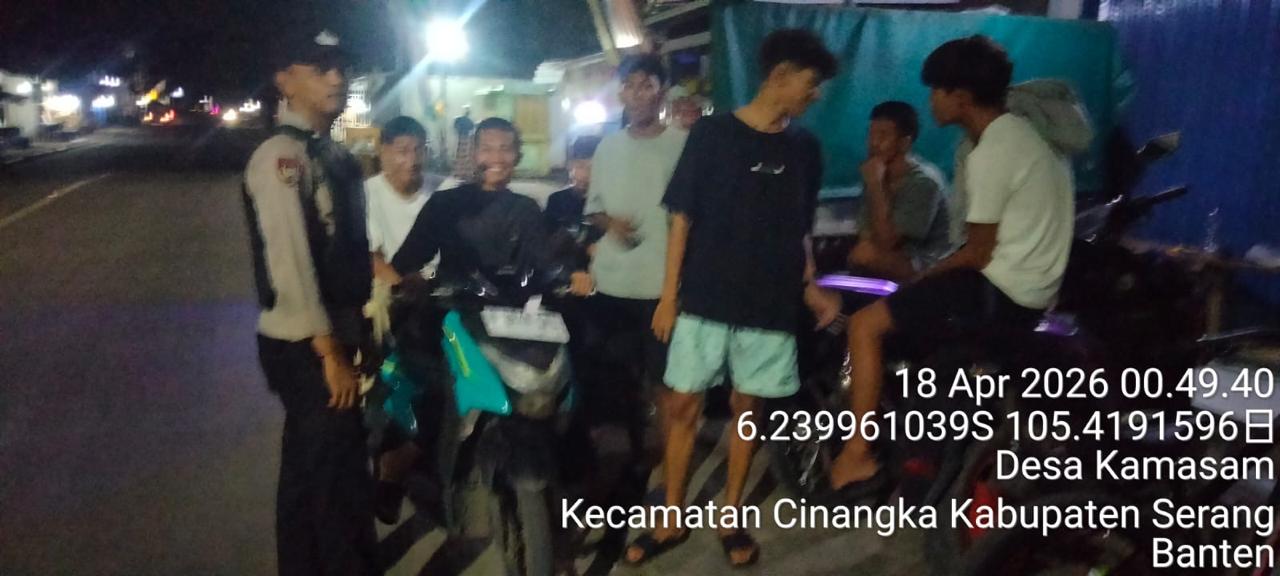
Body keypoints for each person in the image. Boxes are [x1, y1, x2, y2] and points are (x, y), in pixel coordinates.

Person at [627, 29, 841, 568]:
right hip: (704, 296)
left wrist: (810, 284)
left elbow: (801, 228)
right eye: (811, 82)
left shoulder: (805, 148)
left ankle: (730, 513)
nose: (815, 93)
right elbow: (681, 218)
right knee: (683, 406)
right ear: (780, 76)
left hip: (770, 302)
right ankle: (671, 516)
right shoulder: (713, 134)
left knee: (750, 408)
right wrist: (669, 297)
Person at [829, 36, 1075, 492]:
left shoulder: (992, 151)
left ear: (960, 97)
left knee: (864, 326)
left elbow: (977, 252)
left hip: (996, 292)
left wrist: (925, 278)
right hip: (1033, 296)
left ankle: (856, 454)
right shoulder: (1031, 138)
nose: (931, 101)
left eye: (936, 91)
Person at [240, 28, 380, 575]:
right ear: (285, 80)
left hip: (336, 329)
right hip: (305, 342)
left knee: (307, 470)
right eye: (320, 68)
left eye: (340, 67)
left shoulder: (335, 155)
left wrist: (358, 328)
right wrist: (329, 352)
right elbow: (291, 262)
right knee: (336, 480)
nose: (337, 78)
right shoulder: (282, 157)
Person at [583, 54, 689, 469]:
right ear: (620, 93)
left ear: (662, 91)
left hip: (660, 288)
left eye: (647, 84)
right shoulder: (607, 146)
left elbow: (692, 215)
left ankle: (668, 468)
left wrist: (675, 290)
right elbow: (594, 209)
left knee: (665, 383)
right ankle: (630, 461)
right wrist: (611, 223)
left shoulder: (682, 144)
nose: (637, 93)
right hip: (611, 285)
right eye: (629, 85)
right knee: (619, 381)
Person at [391, 117, 593, 295]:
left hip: (514, 312)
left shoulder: (526, 208)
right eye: (487, 149)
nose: (496, 158)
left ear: (517, 156)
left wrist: (573, 274)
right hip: (456, 311)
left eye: (505, 149)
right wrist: (410, 281)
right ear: (474, 154)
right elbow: (409, 257)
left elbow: (545, 257)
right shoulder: (445, 203)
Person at [362, 115, 443, 524]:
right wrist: (402, 287)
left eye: (418, 150)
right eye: (402, 151)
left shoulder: (443, 190)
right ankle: (390, 474)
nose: (411, 160)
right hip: (394, 305)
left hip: (443, 299)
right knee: (396, 388)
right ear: (383, 152)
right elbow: (373, 258)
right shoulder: (367, 195)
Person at [849, 101, 952, 282]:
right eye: (871, 134)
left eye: (883, 136)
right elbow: (866, 233)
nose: (874, 143)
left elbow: (887, 241)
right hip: (893, 258)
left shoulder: (924, 182)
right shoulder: (876, 173)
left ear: (904, 143)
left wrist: (875, 186)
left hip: (930, 267)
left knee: (865, 255)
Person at [544, 135, 602, 233]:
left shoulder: (608, 203)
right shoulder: (557, 200)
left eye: (593, 168)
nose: (586, 174)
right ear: (570, 166)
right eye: (580, 166)